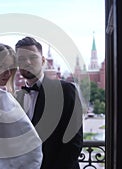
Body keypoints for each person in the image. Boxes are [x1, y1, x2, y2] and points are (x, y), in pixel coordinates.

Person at [15, 37, 83, 169]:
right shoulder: (16, 97)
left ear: (43, 60)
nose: (27, 62)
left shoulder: (65, 91)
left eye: (33, 57)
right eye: (21, 59)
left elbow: (74, 142)